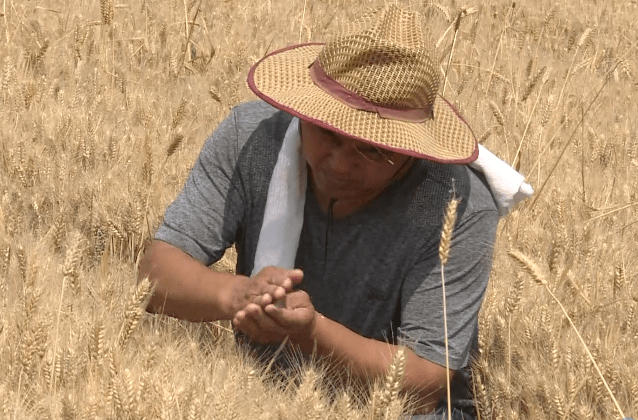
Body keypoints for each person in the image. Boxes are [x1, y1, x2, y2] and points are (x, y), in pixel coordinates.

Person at [138, 5, 499, 419]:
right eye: (327, 132)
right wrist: (235, 295)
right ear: (304, 110)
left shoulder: (456, 205)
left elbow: (425, 382)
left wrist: (313, 334)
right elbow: (155, 273)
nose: (340, 164)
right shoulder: (250, 139)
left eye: (373, 149)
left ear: (412, 151)